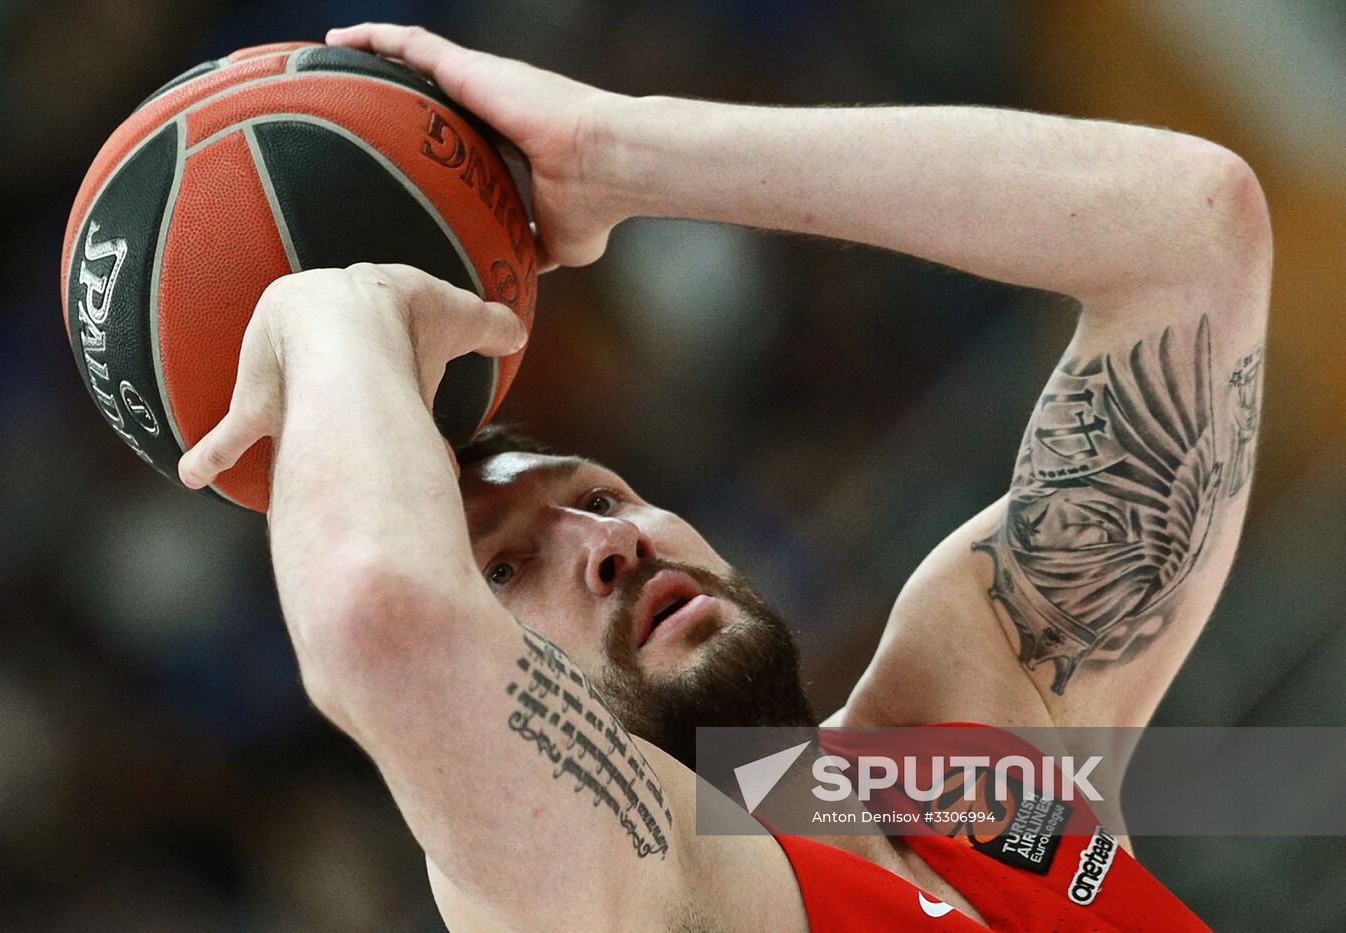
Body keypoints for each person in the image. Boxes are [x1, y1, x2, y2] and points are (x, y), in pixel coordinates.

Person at [177, 22, 1270, 931]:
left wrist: (618, 152)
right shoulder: (613, 885)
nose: (606, 542)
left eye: (600, 497)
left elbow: (1190, 235)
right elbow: (385, 625)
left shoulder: (954, 744)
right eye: (507, 570)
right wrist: (330, 315)